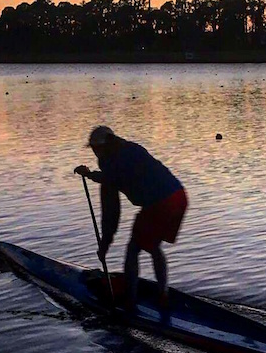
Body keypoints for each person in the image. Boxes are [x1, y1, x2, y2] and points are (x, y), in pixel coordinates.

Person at [74, 126, 188, 314]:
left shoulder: (112, 164)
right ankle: (162, 293)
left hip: (159, 204)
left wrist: (105, 243)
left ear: (104, 146)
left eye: (95, 149)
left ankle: (131, 300)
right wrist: (92, 175)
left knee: (133, 249)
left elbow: (111, 210)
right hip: (179, 197)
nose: (95, 153)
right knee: (153, 246)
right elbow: (112, 182)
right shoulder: (130, 149)